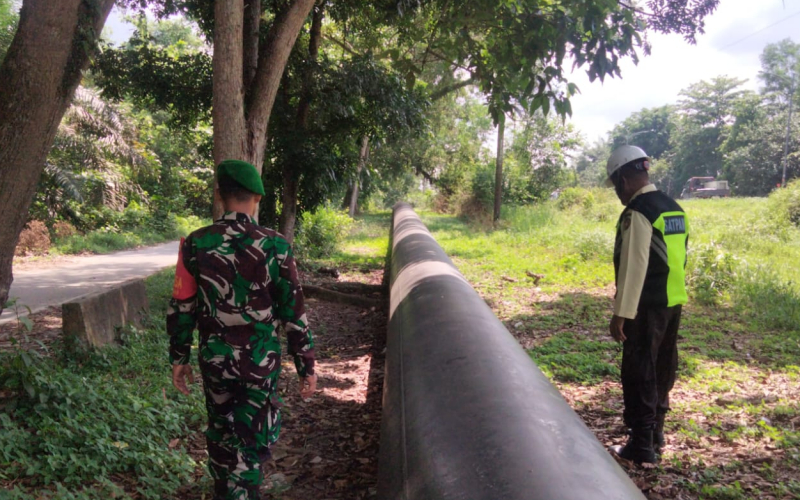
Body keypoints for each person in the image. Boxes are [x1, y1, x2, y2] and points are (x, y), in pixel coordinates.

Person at [167, 159, 317, 500]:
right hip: (259, 362)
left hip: (215, 360)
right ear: (257, 198)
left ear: (219, 196)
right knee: (252, 439)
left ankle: (226, 491)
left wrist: (179, 357)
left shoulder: (195, 243)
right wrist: (306, 364)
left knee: (221, 433)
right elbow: (293, 311)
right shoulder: (276, 245)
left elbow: (182, 306)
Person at [605, 146, 689, 464]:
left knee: (639, 370)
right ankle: (656, 434)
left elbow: (634, 266)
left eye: (616, 186)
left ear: (624, 180)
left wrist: (621, 314)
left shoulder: (638, 211)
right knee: (663, 367)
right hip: (672, 302)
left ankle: (641, 444)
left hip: (645, 306)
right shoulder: (673, 207)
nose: (618, 193)